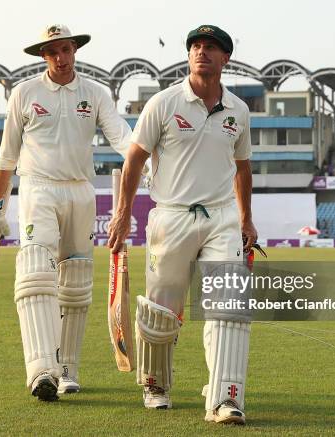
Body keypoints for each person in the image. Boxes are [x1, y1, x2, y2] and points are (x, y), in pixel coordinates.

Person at [108, 25, 257, 425]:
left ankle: (225, 397)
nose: (201, 52)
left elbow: (243, 170)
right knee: (161, 310)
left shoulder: (238, 111)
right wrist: (123, 215)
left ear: (225, 58)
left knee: (229, 306)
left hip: (221, 217)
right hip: (171, 216)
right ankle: (155, 383)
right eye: (195, 46)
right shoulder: (164, 102)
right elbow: (134, 160)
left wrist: (246, 220)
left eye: (210, 47)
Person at [0, 24, 132, 402]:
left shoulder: (94, 93)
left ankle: (68, 370)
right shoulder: (25, 93)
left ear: (75, 50)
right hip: (38, 188)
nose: (61, 59)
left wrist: (153, 162)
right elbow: (7, 155)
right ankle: (41, 369)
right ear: (43, 56)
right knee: (35, 271)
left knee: (77, 280)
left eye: (66, 50)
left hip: (81, 189)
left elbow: (124, 138)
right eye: (53, 53)